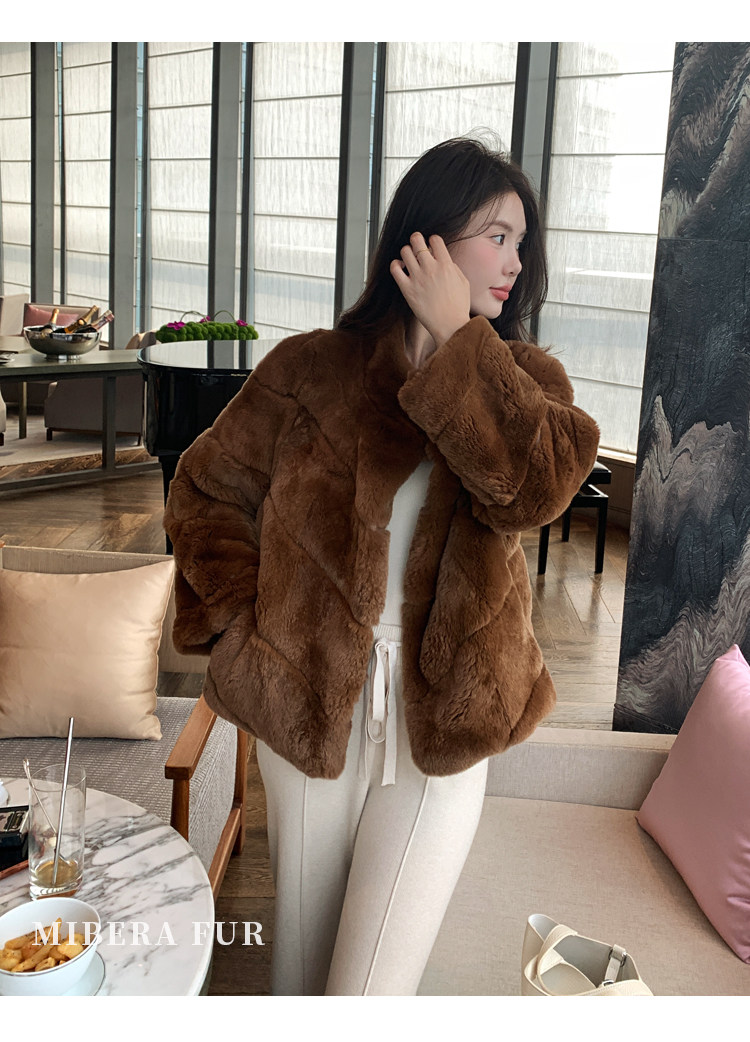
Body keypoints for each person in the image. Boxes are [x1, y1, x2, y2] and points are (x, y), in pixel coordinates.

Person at [163, 136, 600, 996]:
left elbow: (534, 490)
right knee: (300, 976)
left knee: (368, 992)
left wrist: (460, 338)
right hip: (309, 705)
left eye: (521, 241)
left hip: (446, 721)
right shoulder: (309, 369)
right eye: (496, 236)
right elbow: (204, 492)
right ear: (426, 237)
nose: (516, 261)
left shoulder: (525, 380)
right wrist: (249, 632)